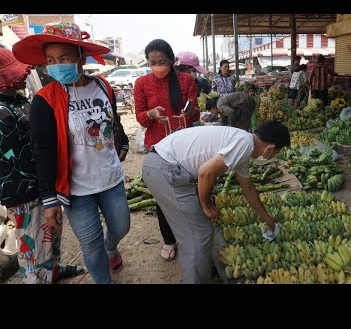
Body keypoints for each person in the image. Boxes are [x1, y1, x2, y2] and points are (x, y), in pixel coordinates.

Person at [12, 22, 130, 284]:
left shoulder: (103, 87)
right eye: (51, 60)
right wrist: (50, 198)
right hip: (75, 189)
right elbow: (42, 151)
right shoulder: (44, 99)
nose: (57, 64)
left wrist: (122, 144)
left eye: (64, 58)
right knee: (90, 245)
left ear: (79, 56)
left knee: (122, 226)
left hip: (110, 178)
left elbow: (114, 120)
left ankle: (112, 248)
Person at [142, 120, 291, 283]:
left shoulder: (243, 143)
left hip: (161, 165)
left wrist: (266, 218)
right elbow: (206, 172)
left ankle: (199, 272)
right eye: (276, 153)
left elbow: (248, 189)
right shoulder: (244, 144)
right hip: (166, 169)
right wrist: (206, 206)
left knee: (195, 231)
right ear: (270, 148)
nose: (273, 157)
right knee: (197, 235)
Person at [0, 47, 85, 284]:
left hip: (42, 182)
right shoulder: (2, 110)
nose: (23, 75)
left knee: (50, 232)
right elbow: (18, 154)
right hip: (23, 188)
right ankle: (34, 277)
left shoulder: (16, 99)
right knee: (31, 237)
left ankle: (52, 269)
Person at [133, 39, 200, 261]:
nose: (158, 66)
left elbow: (196, 113)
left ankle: (192, 234)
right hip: (159, 148)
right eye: (153, 62)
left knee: (190, 192)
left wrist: (189, 113)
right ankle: (169, 240)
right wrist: (150, 115)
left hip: (185, 146)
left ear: (171, 61)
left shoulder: (186, 80)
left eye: (161, 61)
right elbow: (140, 118)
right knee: (163, 197)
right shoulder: (142, 83)